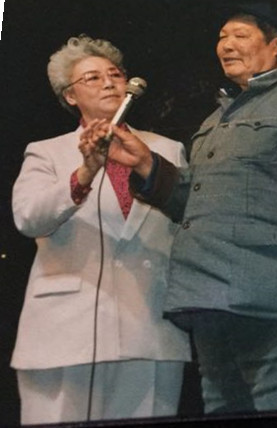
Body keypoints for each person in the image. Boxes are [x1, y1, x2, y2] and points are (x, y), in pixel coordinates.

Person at [101, 2, 277, 414]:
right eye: (221, 37)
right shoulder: (213, 123)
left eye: (240, 35)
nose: (226, 44)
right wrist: (146, 163)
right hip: (212, 313)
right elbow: (198, 207)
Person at [11, 35, 190, 424]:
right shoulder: (47, 152)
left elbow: (187, 222)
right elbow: (28, 218)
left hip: (150, 329)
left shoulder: (166, 149)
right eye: (92, 78)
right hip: (64, 332)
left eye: (115, 74)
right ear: (70, 95)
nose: (109, 83)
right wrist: (84, 173)